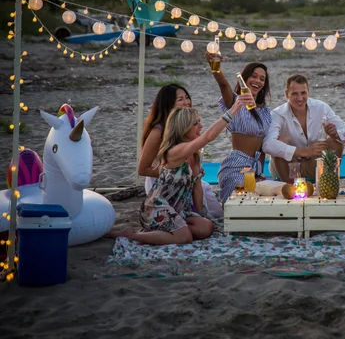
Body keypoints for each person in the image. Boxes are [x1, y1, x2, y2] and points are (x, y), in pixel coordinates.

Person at [109, 95, 254, 244]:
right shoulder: (175, 151)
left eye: (199, 121)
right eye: (195, 123)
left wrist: (202, 215)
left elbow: (197, 186)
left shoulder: (195, 153)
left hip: (179, 210)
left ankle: (170, 231)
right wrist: (235, 108)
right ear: (183, 128)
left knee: (207, 227)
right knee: (184, 238)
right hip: (157, 208)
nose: (201, 126)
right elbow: (208, 136)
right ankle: (131, 235)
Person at [137, 84, 221, 218]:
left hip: (188, 181)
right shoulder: (158, 132)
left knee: (215, 211)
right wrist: (179, 171)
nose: (186, 102)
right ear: (168, 104)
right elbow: (142, 169)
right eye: (180, 99)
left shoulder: (187, 129)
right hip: (163, 185)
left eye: (187, 97)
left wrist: (192, 173)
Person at [204, 52, 272, 203]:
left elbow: (262, 147)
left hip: (256, 169)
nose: (257, 81)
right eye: (253, 76)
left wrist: (259, 173)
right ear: (244, 78)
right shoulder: (235, 101)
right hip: (236, 166)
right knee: (240, 202)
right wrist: (214, 67)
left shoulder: (265, 111)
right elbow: (223, 84)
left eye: (262, 78)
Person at [263, 74, 345, 182]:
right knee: (280, 142)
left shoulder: (321, 107)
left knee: (335, 141)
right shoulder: (277, 114)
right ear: (286, 94)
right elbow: (267, 144)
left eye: (303, 93)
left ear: (308, 91)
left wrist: (336, 134)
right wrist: (303, 151)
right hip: (288, 167)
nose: (300, 98)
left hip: (314, 164)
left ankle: (327, 183)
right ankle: (290, 188)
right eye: (295, 94)